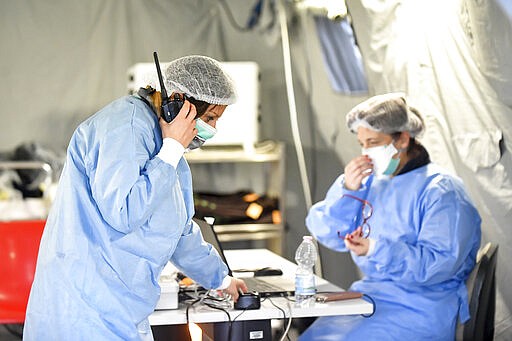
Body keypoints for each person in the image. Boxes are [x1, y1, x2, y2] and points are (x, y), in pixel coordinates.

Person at [23, 55, 248, 341]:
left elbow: (178, 230)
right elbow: (124, 211)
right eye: (210, 118)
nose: (212, 130)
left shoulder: (171, 154)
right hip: (85, 311)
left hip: (121, 310)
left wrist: (221, 279)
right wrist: (171, 149)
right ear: (178, 102)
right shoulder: (125, 127)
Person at [299, 93, 481, 340]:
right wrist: (348, 191)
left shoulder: (442, 191)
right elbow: (327, 234)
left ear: (403, 139)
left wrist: (375, 249)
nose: (366, 152)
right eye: (362, 143)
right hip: (370, 296)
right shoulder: (371, 183)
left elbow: (438, 265)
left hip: (421, 307)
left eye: (373, 142)